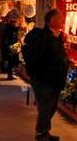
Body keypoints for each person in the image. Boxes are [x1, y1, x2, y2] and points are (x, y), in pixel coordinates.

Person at [24, 9, 69, 141]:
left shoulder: (57, 36)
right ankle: (41, 134)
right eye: (60, 18)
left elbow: (57, 54)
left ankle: (45, 132)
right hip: (43, 79)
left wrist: (64, 60)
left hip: (54, 79)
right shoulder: (44, 37)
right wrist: (37, 75)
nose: (62, 20)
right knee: (46, 107)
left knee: (52, 107)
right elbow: (38, 58)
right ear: (52, 21)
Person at [1, 15, 20, 80]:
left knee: (11, 62)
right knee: (11, 61)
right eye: (16, 22)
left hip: (12, 46)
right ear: (13, 23)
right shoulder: (11, 28)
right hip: (12, 46)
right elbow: (15, 31)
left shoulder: (8, 28)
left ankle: (10, 75)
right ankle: (10, 75)